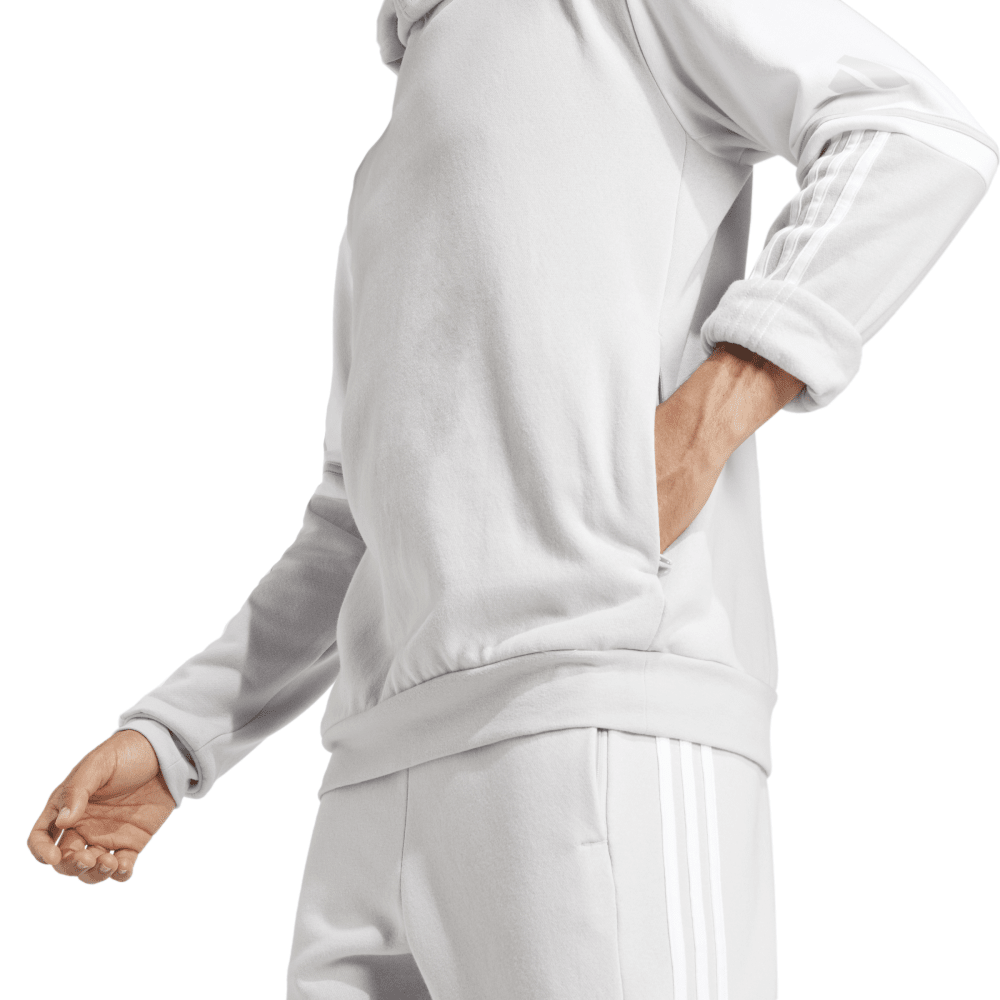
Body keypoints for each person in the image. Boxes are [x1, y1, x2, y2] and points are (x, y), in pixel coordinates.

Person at [27, 0, 995, 996]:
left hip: (593, 720)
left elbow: (911, 130)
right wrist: (178, 734)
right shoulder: (388, 157)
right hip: (372, 781)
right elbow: (357, 516)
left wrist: (708, 417)